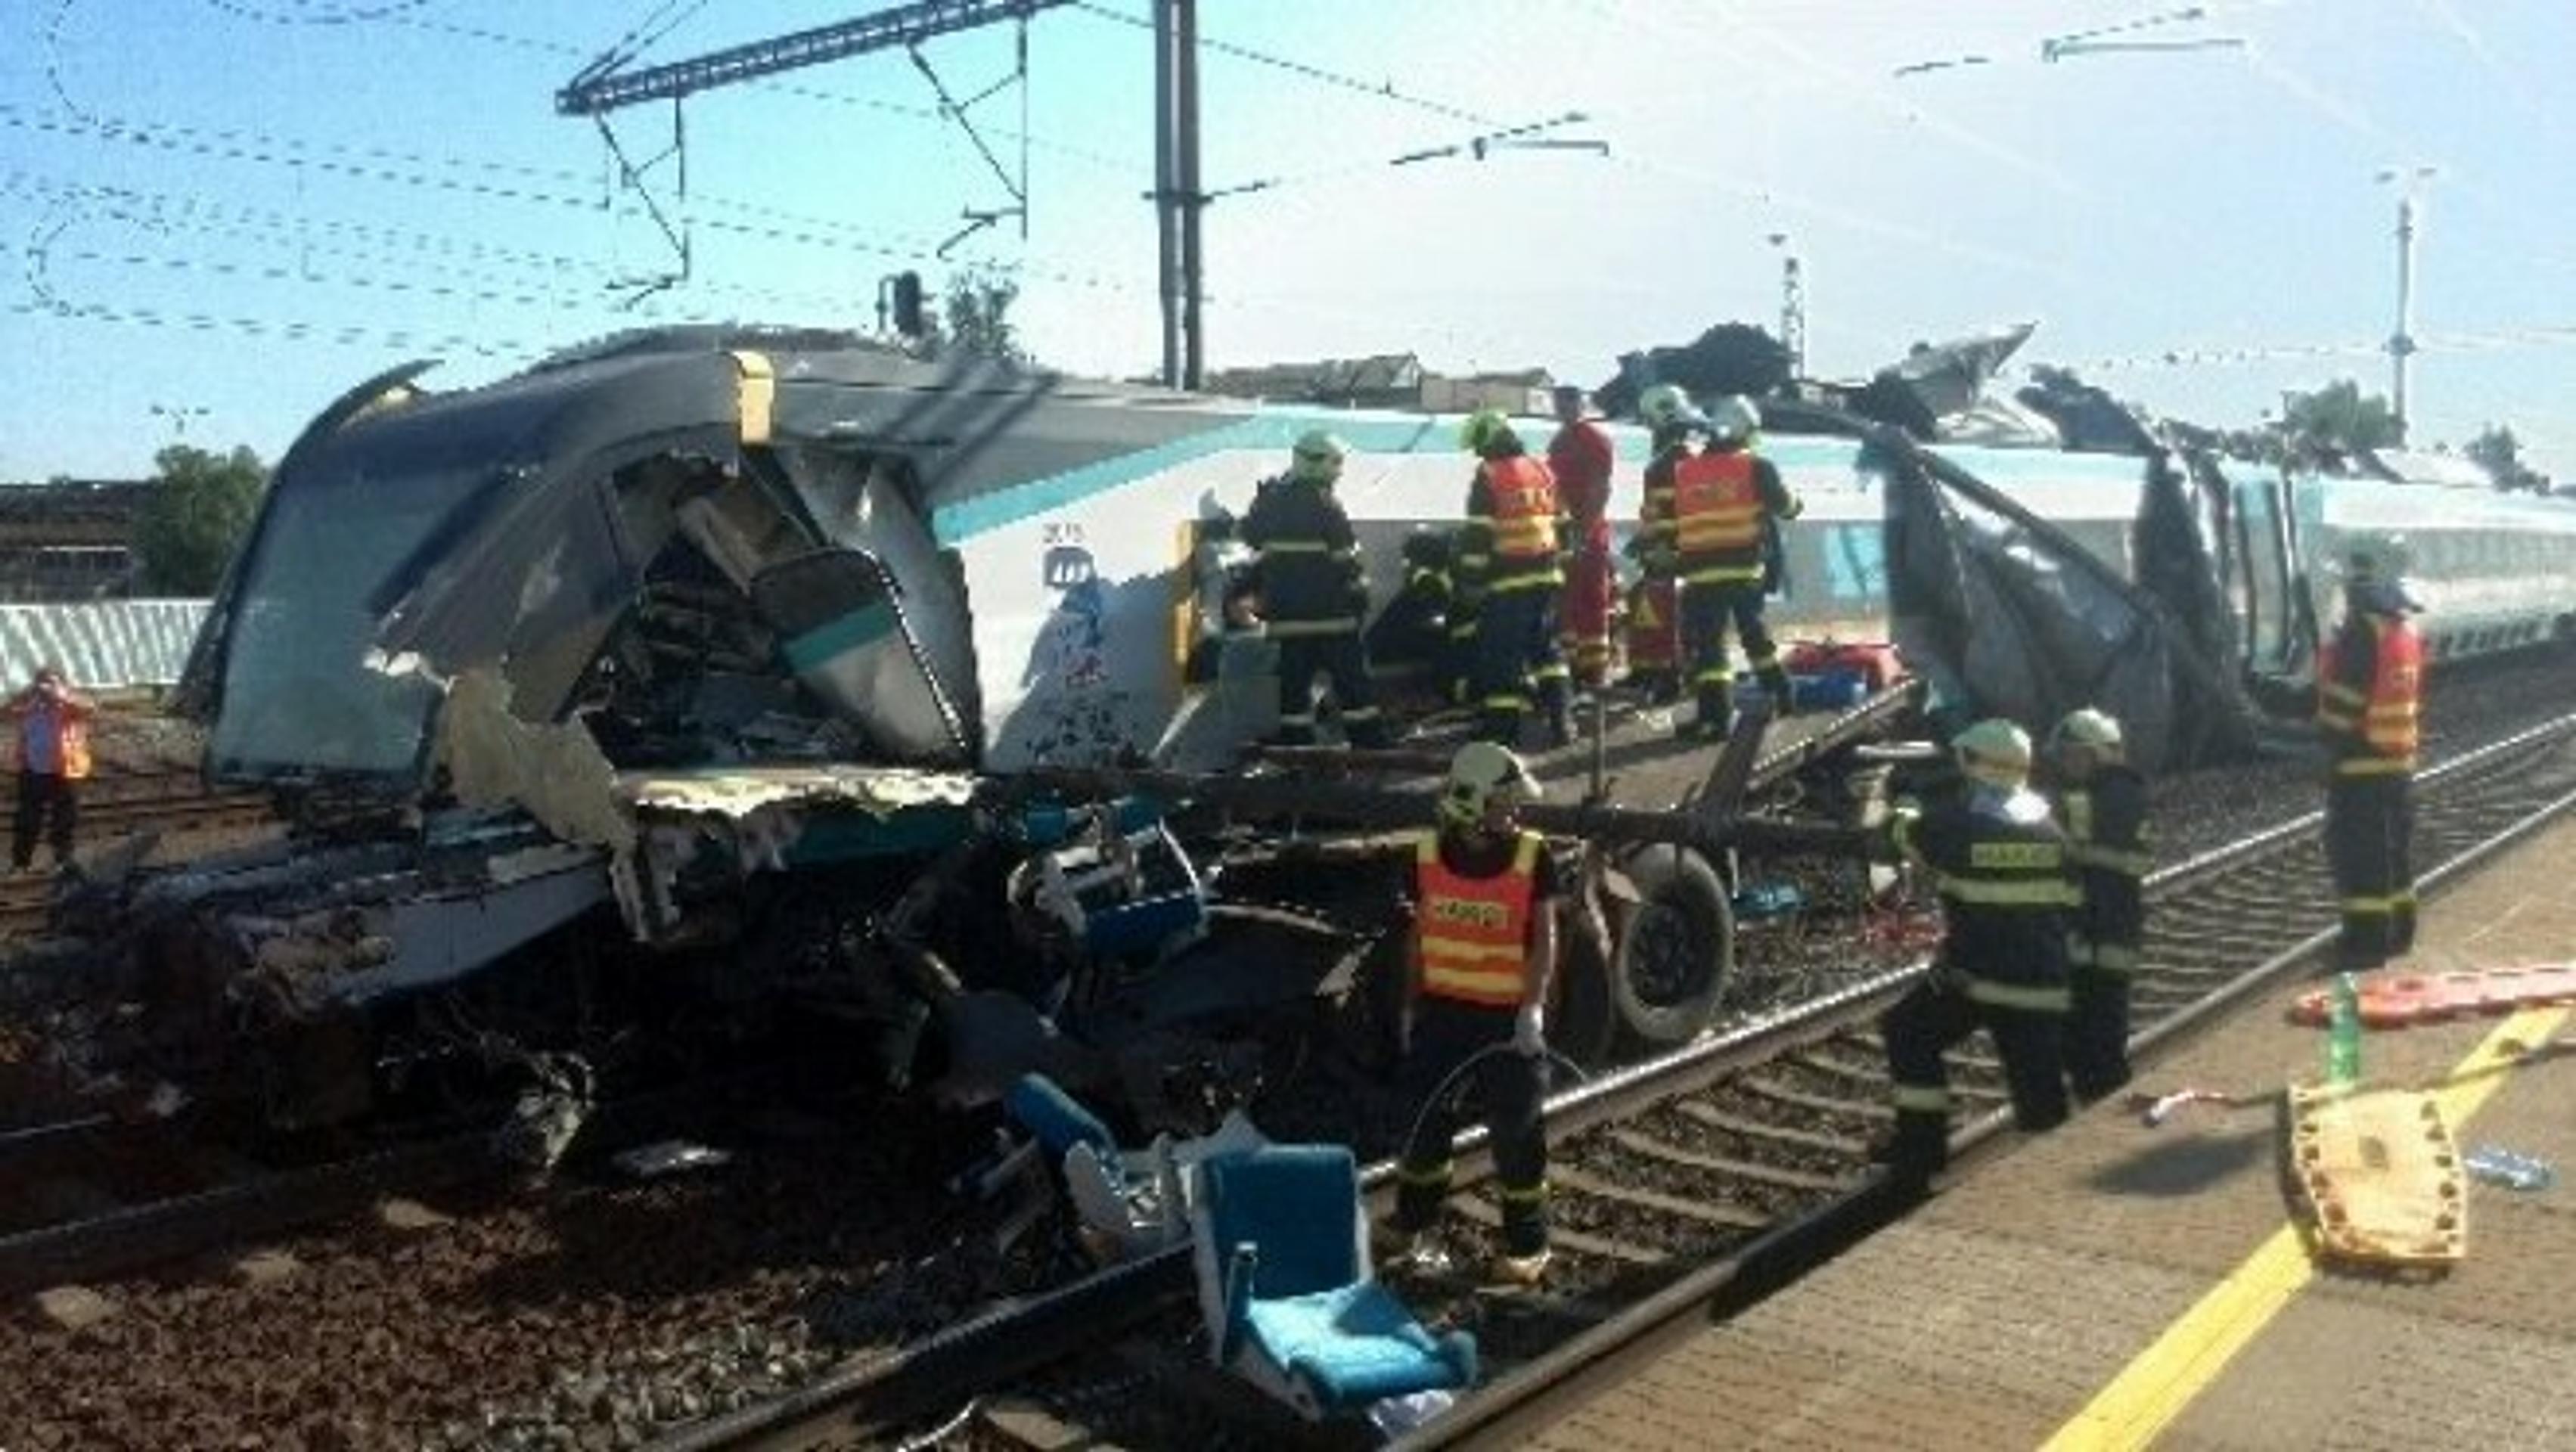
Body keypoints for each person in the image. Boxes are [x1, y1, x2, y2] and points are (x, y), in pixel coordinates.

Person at [1876, 718, 2080, 1190]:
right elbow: (2073, 904)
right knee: (2040, 1090)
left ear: (1977, 766)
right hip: (2042, 985)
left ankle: (1920, 1151)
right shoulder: (2053, 832)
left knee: (1907, 1031)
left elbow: (1898, 837)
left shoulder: (1956, 827)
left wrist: (1906, 804)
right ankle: (2055, 1181)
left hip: (1976, 981)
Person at [1388, 740, 1560, 1286]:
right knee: (1423, 1122)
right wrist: (1410, 1005)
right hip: (1444, 1013)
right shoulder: (1425, 856)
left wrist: (1532, 1010)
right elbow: (1417, 937)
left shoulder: (1533, 855)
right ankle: (1412, 1223)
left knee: (1517, 1132)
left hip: (1507, 1020)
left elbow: (1544, 941)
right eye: (1505, 802)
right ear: (1474, 804)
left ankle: (1528, 1245)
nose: (1515, 811)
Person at [1643, 392, 1804, 738]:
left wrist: (1665, 558)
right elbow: (1786, 508)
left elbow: (1670, 523)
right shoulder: (1757, 466)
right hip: (1745, 569)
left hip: (1701, 571)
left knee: (1709, 648)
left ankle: (1714, 718)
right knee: (1755, 637)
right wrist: (1796, 503)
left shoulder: (1685, 471)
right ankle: (1781, 695)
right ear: (1745, 430)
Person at [1240, 430, 1389, 748]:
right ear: (1318, 463)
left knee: (1294, 690)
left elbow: (1249, 536)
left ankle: (1298, 749)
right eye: (1336, 463)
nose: (1339, 471)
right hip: (1334, 620)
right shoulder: (1326, 503)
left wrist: (1261, 500)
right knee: (1353, 687)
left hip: (1289, 621)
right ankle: (1370, 744)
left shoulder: (1271, 502)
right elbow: (1346, 560)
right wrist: (1359, 599)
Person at [2316, 535, 2423, 971]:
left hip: (2362, 764)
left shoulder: (2362, 631)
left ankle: (2365, 943)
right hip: (2397, 763)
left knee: (2362, 858)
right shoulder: (2402, 628)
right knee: (2394, 855)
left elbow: (2346, 700)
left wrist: (2324, 735)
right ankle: (2400, 931)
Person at [2044, 708, 2150, 1103]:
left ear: (2101, 754)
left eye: (2075, 755)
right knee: (2078, 1032)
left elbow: (2070, 825)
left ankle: (2106, 1101)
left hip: (2109, 930)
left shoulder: (2119, 793)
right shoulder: (2097, 792)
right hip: (2089, 928)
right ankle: (2092, 1096)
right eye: (2064, 756)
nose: (2067, 763)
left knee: (2103, 1032)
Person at [1456, 410, 1572, 748]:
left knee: (1502, 655)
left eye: (1478, 446)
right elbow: (1563, 524)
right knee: (1548, 652)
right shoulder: (1541, 469)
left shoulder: (1489, 475)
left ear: (1487, 439)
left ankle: (1502, 730)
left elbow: (1479, 534)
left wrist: (1471, 580)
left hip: (1508, 581)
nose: (1478, 453)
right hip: (1546, 576)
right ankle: (1562, 722)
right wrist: (1558, 567)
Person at [1545, 385, 1617, 689]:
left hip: (1587, 530)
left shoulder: (1593, 438)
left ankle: (1595, 670)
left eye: (1569, 404)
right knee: (1568, 600)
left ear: (1580, 405)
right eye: (1559, 404)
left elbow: (1601, 487)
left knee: (1592, 598)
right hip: (1563, 530)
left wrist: (1585, 530)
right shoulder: (1559, 441)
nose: (1563, 410)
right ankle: (1573, 665)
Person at [8, 664, 95, 873]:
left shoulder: (70, 705)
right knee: (27, 820)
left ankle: (62, 861)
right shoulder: (29, 706)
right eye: (41, 682)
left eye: (51, 682)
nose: (45, 687)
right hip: (33, 771)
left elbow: (90, 708)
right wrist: (24, 694)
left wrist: (60, 696)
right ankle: (20, 863)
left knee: (64, 821)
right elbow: (4, 713)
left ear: (62, 685)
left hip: (66, 772)